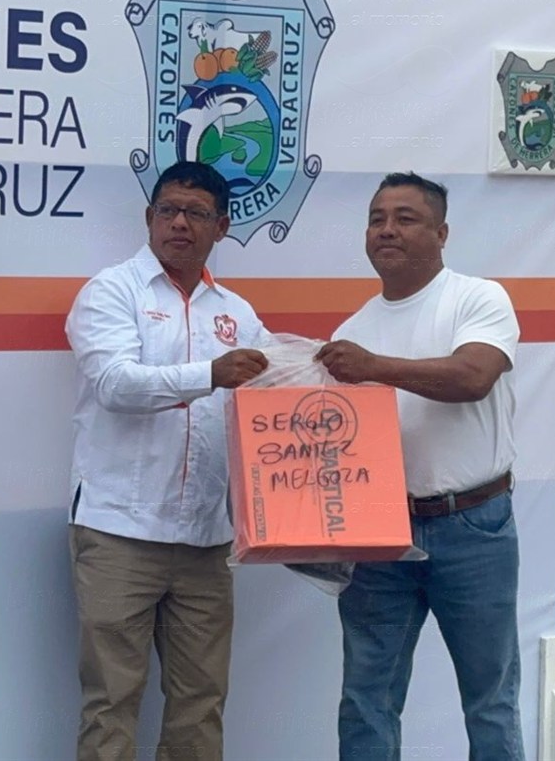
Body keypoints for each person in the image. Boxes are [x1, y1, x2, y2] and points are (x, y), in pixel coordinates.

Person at [64, 161, 270, 761]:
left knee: (200, 704)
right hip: (119, 532)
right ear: (148, 218)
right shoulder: (111, 291)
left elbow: (272, 394)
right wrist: (209, 375)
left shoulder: (238, 313)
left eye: (196, 213)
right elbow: (114, 384)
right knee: (111, 701)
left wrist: (332, 377)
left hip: (207, 537)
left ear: (221, 227)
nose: (179, 223)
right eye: (168, 211)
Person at [316, 172, 523, 761]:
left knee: (490, 700)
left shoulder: (478, 299)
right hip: (381, 535)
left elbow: (473, 377)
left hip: (473, 526)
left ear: (442, 233)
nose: (387, 230)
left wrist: (375, 367)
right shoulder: (351, 332)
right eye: (376, 219)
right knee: (366, 698)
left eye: (405, 218)